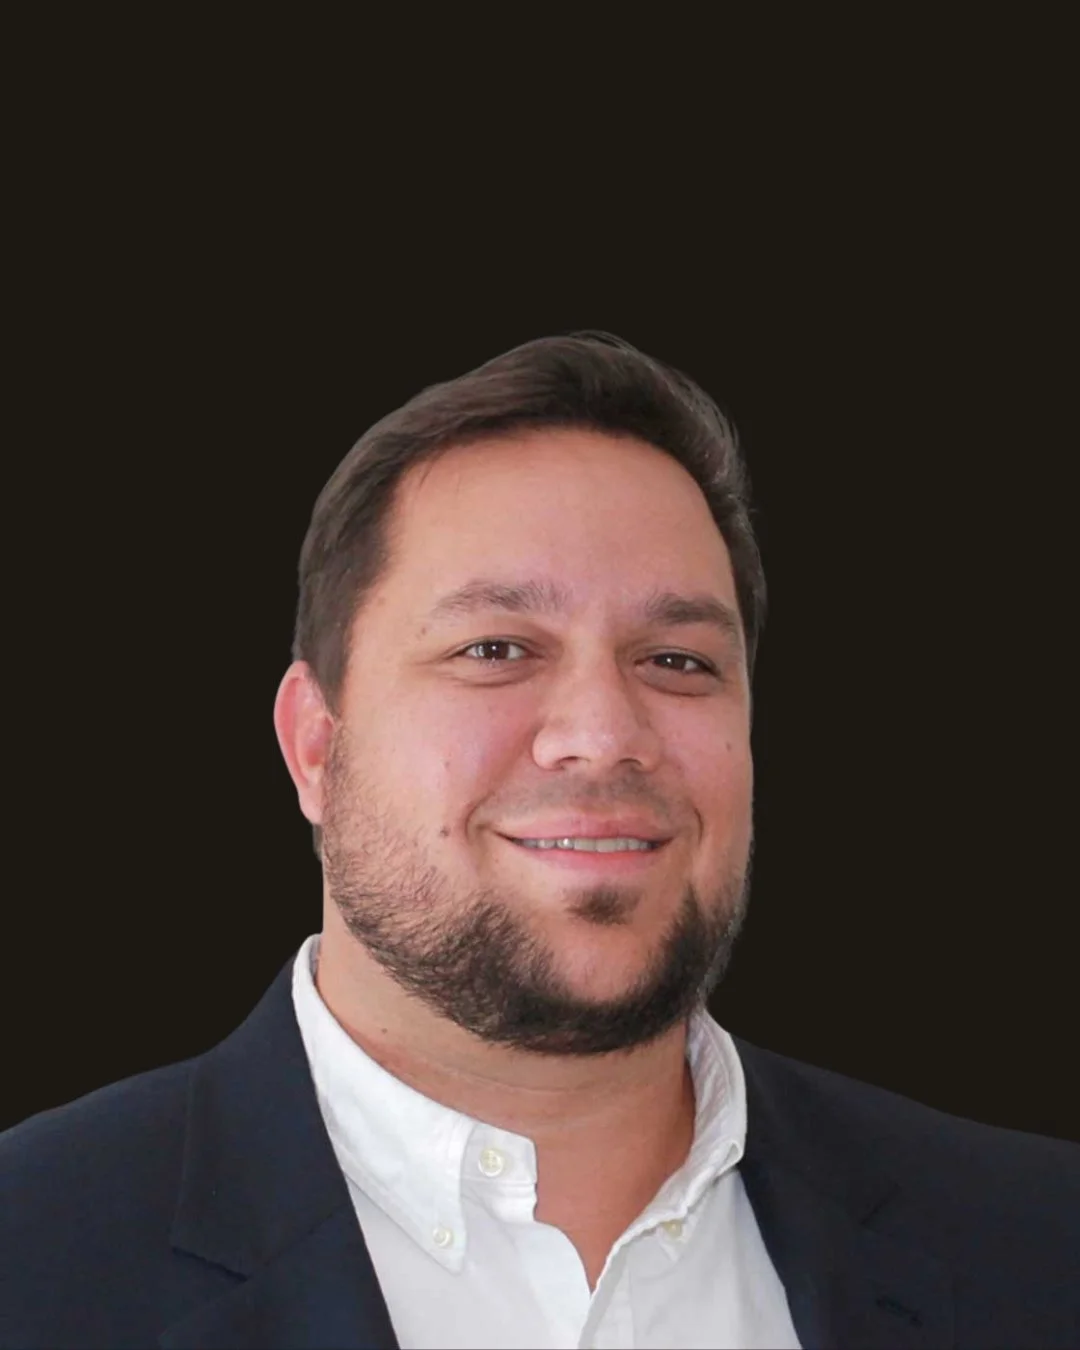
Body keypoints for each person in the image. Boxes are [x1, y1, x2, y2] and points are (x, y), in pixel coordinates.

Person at [2, 334, 1076, 1350]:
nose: (605, 735)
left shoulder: (1036, 1249)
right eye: (497, 647)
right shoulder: (31, 1259)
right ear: (315, 747)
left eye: (679, 661)